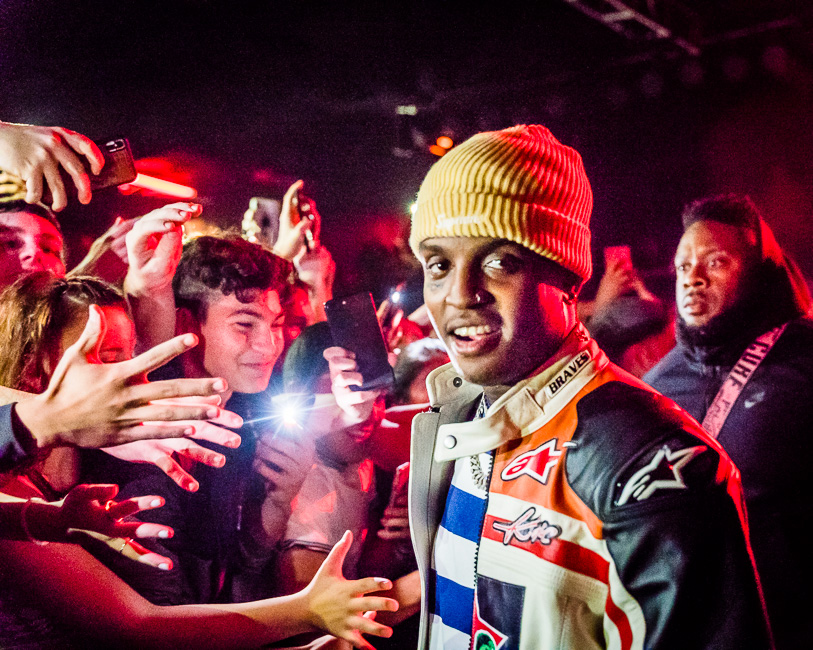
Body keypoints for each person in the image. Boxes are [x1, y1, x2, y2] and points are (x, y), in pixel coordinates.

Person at [401, 125, 770, 648]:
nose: (460, 294)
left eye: (500, 261)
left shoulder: (648, 465)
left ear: (569, 277)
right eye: (438, 264)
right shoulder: (459, 421)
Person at [644, 194, 813, 650]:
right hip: (686, 627)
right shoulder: (656, 381)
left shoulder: (805, 362)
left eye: (715, 262)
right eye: (683, 267)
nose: (692, 279)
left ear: (761, 271)